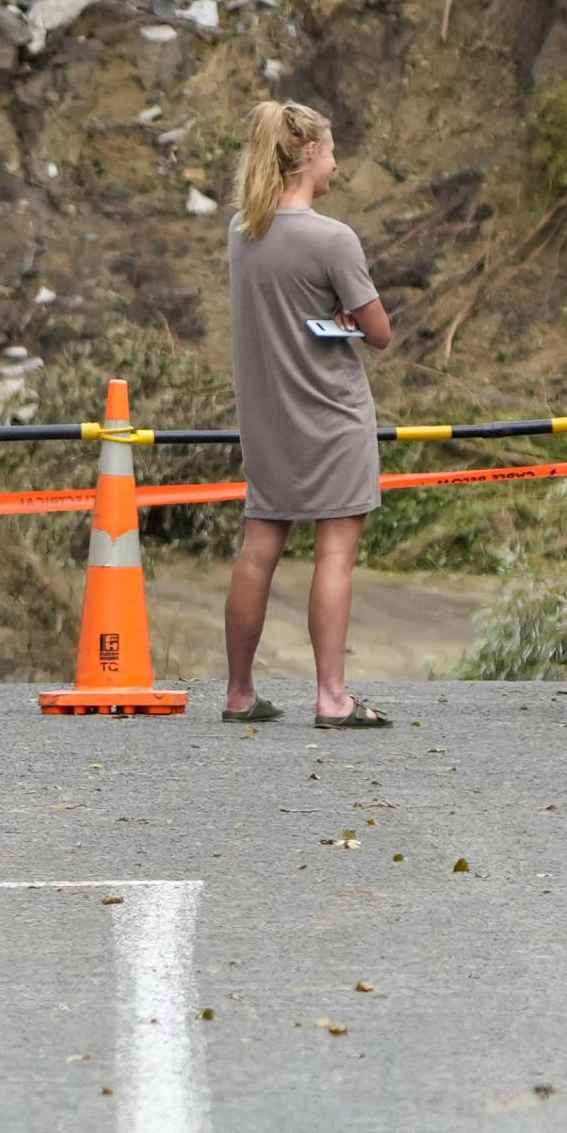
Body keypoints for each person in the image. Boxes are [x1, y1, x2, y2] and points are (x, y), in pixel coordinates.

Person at [221, 99, 396, 729]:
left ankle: (240, 692)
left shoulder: (243, 232)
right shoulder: (333, 238)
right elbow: (379, 333)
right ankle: (331, 696)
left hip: (267, 417)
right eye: (330, 150)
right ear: (307, 156)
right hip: (332, 414)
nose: (337, 162)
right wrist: (349, 321)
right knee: (335, 555)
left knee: (258, 550)